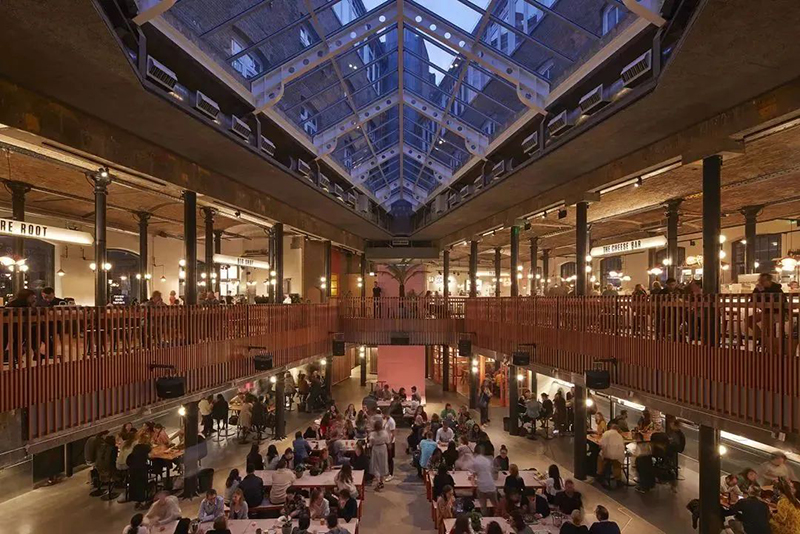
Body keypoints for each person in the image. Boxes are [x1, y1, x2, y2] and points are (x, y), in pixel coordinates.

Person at [471, 447, 499, 516]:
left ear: (475, 453)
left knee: (483, 505)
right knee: (495, 504)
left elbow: (473, 475)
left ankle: (485, 518)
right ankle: (499, 515)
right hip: (491, 484)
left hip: (482, 486)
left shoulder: (475, 461)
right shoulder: (487, 460)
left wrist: (473, 484)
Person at [369, 419, 390, 490]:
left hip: (375, 448)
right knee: (382, 464)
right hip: (383, 448)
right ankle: (381, 480)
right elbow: (388, 441)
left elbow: (370, 444)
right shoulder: (385, 433)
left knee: (376, 465)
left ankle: (378, 481)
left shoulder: (372, 434)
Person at [383, 410, 397, 481]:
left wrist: (390, 443)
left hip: (390, 442)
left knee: (390, 458)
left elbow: (393, 433)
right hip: (386, 441)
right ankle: (387, 471)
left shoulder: (391, 422)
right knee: (387, 457)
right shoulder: (386, 420)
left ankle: (391, 474)